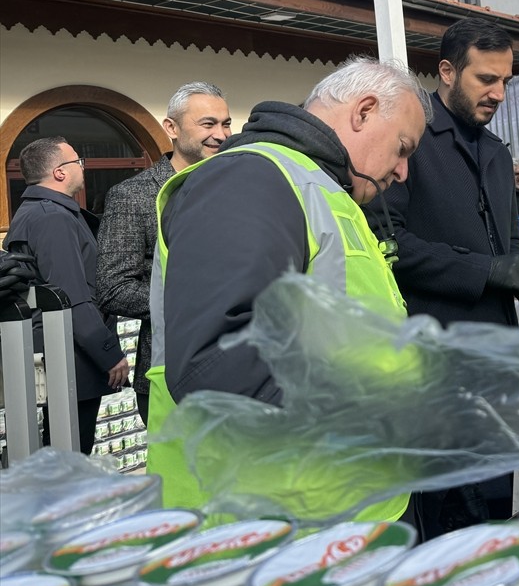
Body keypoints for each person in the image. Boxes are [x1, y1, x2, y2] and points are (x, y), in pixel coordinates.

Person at [144, 56, 431, 521]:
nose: (403, 172)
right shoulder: (251, 177)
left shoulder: (320, 190)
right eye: (402, 148)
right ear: (363, 111)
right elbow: (218, 363)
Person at [375, 18, 519, 536]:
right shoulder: (408, 142)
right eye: (486, 79)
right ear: (447, 71)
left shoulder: (497, 152)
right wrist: (487, 271)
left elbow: (508, 240)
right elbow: (387, 242)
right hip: (433, 364)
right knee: (443, 524)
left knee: (492, 510)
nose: (500, 93)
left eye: (506, 81)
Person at [95, 82, 231, 425]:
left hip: (238, 366)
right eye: (208, 124)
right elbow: (113, 287)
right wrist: (195, 302)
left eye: (226, 123)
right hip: (169, 368)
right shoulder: (133, 196)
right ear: (171, 128)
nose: (220, 134)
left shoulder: (235, 187)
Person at [5, 137, 130, 454]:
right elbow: (70, 297)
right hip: (70, 356)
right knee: (71, 453)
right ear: (60, 172)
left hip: (64, 352)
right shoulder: (53, 218)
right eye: (78, 162)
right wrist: (109, 353)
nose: (83, 169)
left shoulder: (37, 211)